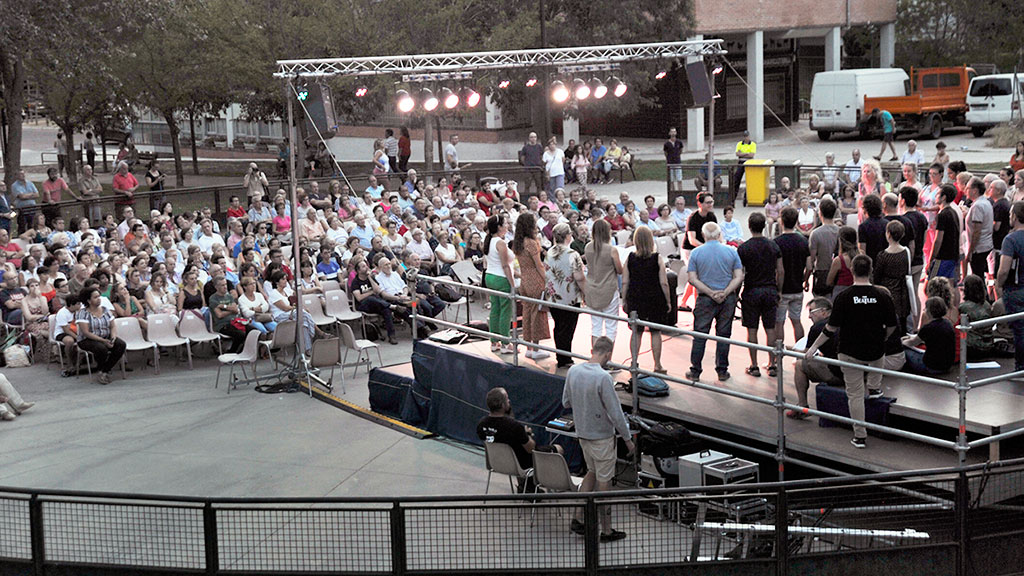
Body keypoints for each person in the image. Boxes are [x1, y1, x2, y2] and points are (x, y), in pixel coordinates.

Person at [805, 255, 898, 449]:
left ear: (853, 271)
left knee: (855, 395)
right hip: (874, 349)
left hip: (849, 351)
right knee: (877, 358)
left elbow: (830, 329)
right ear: (871, 271)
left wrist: (814, 347)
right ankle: (874, 386)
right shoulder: (882, 295)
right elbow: (891, 325)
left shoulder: (844, 297)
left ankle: (860, 436)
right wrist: (882, 337)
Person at [562, 336, 634, 543]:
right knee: (604, 481)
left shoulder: (573, 371)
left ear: (592, 349)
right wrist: (627, 439)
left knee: (591, 473)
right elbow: (616, 413)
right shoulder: (603, 378)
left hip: (583, 434)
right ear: (608, 354)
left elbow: (566, 402)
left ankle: (578, 517)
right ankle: (607, 530)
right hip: (601, 438)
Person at [686, 222, 744, 382]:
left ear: (703, 235)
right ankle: (722, 370)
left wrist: (710, 292)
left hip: (705, 299)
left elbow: (692, 278)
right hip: (727, 298)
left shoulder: (696, 253)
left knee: (699, 335)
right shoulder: (731, 252)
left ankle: (695, 371)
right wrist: (725, 292)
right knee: (723, 335)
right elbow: (739, 276)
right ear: (719, 235)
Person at [477, 387, 563, 493]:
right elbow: (531, 448)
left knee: (520, 452)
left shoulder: (481, 424)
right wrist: (528, 434)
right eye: (507, 399)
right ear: (503, 405)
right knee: (558, 449)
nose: (509, 401)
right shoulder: (514, 427)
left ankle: (526, 487)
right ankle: (556, 486)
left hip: (496, 463)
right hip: (520, 465)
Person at [737, 212, 782, 377]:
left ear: (749, 226)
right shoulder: (773, 246)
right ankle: (772, 364)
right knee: (770, 328)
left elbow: (739, 274)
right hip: (769, 290)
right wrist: (779, 290)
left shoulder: (743, 248)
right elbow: (780, 271)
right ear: (764, 226)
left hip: (751, 291)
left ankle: (754, 365)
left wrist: (736, 293)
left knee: (752, 330)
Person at [623, 227, 672, 374]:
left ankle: (634, 362)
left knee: (636, 332)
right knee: (655, 332)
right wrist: (668, 301)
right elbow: (664, 283)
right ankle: (657, 364)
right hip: (654, 299)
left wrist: (624, 299)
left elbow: (625, 282)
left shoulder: (630, 258)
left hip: (635, 298)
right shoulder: (657, 258)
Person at [788, 298, 843, 419]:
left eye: (812, 311)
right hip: (857, 371)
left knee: (799, 364)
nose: (809, 316)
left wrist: (787, 349)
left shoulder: (818, 328)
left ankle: (802, 405)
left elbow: (806, 354)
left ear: (824, 312)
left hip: (838, 373)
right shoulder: (844, 321)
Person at [546, 223, 586, 368]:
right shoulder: (572, 254)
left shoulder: (549, 252)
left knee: (559, 326)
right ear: (568, 236)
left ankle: (561, 356)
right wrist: (586, 292)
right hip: (569, 295)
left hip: (554, 294)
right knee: (568, 327)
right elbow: (579, 276)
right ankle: (565, 357)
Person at [513, 213, 550, 360]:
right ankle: (535, 348)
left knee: (528, 312)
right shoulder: (531, 243)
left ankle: (528, 346)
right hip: (535, 279)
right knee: (537, 313)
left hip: (524, 279)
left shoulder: (518, 242)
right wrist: (546, 279)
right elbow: (538, 265)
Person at [76, 287, 128, 385]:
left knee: (121, 344)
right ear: (88, 300)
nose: (99, 299)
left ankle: (105, 370)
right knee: (102, 348)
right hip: (87, 339)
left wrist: (112, 338)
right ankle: (101, 368)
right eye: (95, 297)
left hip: (106, 336)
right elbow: (86, 332)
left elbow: (113, 326)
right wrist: (103, 341)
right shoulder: (83, 313)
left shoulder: (105, 310)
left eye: (99, 296)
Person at [775, 207, 812, 345]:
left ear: (782, 221)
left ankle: (778, 355)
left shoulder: (777, 242)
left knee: (779, 322)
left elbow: (779, 270)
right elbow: (809, 266)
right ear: (797, 221)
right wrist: (805, 279)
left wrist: (778, 287)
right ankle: (800, 350)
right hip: (797, 287)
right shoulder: (803, 241)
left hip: (782, 289)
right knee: (796, 321)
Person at [584, 219, 623, 346]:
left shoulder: (588, 247)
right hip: (608, 289)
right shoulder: (611, 250)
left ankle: (595, 356)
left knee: (595, 327)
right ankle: (607, 359)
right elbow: (619, 270)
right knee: (611, 327)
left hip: (591, 289)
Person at [996, 201, 1024, 370]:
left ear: (1015, 216)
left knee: (1019, 331)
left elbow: (1004, 269)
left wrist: (999, 284)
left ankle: (1021, 366)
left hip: (1015, 289)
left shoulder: (1011, 239)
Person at [484, 215, 515, 354]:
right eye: (505, 224)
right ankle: (505, 343)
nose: (507, 226)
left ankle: (494, 342)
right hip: (500, 278)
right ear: (499, 227)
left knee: (495, 308)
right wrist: (513, 284)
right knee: (505, 311)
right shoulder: (500, 243)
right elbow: (505, 266)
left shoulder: (489, 240)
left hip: (490, 276)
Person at [901, 297, 955, 375]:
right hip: (947, 365)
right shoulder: (948, 323)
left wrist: (902, 341)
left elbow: (913, 343)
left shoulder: (928, 328)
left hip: (931, 366)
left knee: (906, 352)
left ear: (929, 311)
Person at [927, 184, 961, 286]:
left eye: (937, 194)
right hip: (952, 256)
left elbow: (938, 239)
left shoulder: (942, 215)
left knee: (931, 287)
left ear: (944, 197)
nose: (935, 196)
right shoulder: (953, 212)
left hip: (942, 257)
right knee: (950, 286)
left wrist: (931, 258)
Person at [809, 199, 840, 297]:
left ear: (820, 213)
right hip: (838, 273)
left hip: (821, 271)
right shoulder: (840, 231)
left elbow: (812, 258)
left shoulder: (815, 233)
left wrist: (806, 277)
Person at [965, 177, 994, 278]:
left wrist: (970, 251)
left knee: (977, 276)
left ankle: (982, 293)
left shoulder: (978, 206)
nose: (965, 190)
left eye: (967, 188)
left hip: (979, 248)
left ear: (975, 190)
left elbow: (977, 231)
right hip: (986, 245)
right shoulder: (985, 202)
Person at [857, 194, 888, 262]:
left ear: (865, 209)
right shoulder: (887, 223)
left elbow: (862, 251)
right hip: (886, 262)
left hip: (871, 263)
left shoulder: (863, 227)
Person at [730, 130, 756, 206]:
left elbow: (751, 155)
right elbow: (737, 154)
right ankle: (732, 199)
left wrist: (742, 154)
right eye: (745, 136)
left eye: (747, 136)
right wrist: (746, 153)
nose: (746, 138)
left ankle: (746, 198)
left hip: (749, 163)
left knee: (749, 181)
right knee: (736, 179)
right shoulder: (739, 144)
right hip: (741, 162)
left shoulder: (753, 144)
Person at [518, 132, 546, 200]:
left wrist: (541, 163)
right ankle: (526, 199)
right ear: (529, 138)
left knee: (539, 185)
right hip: (528, 169)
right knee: (527, 185)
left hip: (537, 168)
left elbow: (542, 156)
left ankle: (540, 199)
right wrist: (525, 164)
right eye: (531, 137)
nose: (533, 139)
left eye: (534, 137)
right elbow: (522, 157)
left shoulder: (539, 147)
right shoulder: (525, 147)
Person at [542, 137, 565, 203]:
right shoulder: (546, 154)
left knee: (560, 187)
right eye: (550, 145)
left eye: (553, 144)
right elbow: (544, 162)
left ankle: (561, 201)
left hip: (559, 172)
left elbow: (563, 160)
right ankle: (553, 201)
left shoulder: (560, 151)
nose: (552, 146)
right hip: (551, 173)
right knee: (551, 188)